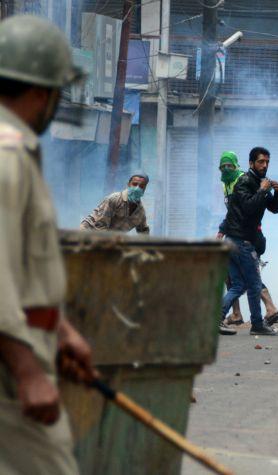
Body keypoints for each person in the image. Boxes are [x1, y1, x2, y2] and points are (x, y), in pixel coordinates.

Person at [0, 15, 97, 474]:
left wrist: (59, 333)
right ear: (42, 93)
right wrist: (28, 371)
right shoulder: (6, 156)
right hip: (9, 370)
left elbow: (20, 268)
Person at [219, 147, 278, 336]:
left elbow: (274, 208)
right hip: (241, 241)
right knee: (254, 285)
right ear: (251, 163)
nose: (264, 165)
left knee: (238, 285)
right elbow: (248, 208)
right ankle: (257, 324)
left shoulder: (259, 182)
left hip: (236, 240)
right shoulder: (245, 182)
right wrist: (263, 191)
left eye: (267, 162)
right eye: (261, 162)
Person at [80, 172, 150, 234]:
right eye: (134, 184)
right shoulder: (114, 199)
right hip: (88, 232)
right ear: (128, 184)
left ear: (145, 188)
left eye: (141, 186)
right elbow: (100, 225)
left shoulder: (140, 212)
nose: (137, 188)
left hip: (109, 238)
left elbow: (144, 233)